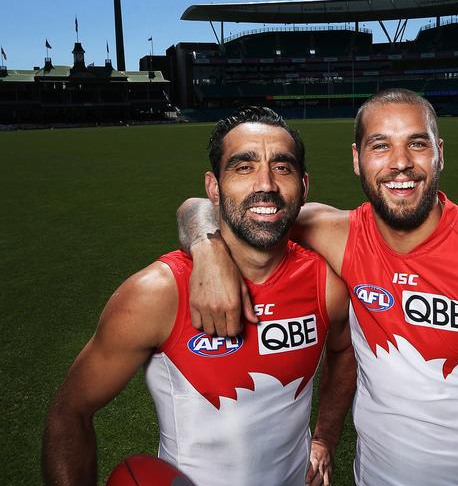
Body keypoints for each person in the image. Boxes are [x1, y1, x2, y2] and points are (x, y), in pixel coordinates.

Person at [178, 89, 458, 485]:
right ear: (357, 160)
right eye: (380, 146)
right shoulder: (336, 233)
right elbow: (203, 206)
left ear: (439, 153)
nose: (400, 163)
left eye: (417, 144)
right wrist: (207, 249)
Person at [42, 106, 356, 486]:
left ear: (303, 187)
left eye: (282, 167)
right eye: (243, 167)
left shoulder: (325, 283)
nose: (266, 184)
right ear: (213, 187)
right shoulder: (158, 293)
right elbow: (70, 413)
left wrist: (324, 437)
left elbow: (344, 349)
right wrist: (205, 248)